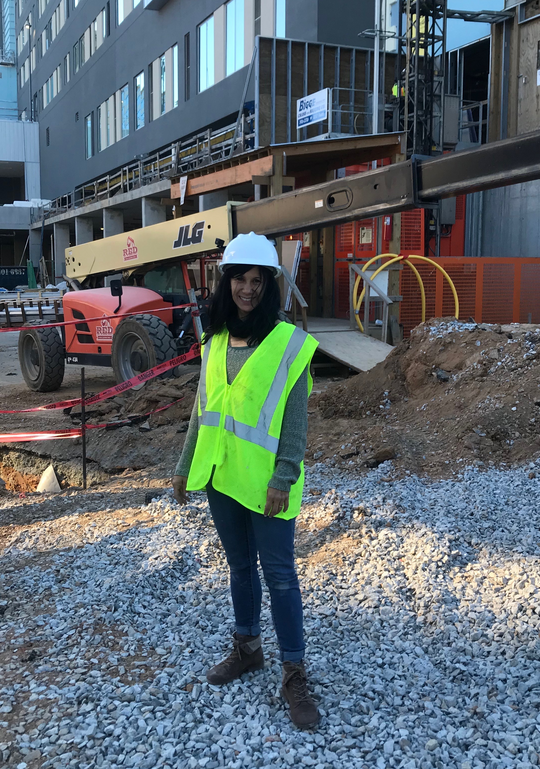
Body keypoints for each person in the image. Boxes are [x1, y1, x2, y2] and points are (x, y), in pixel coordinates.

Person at [172, 232, 320, 729]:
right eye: (240, 279)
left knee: (280, 576)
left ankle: (294, 672)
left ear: (270, 285)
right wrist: (182, 466)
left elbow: (295, 422)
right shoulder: (214, 340)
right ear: (227, 282)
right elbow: (201, 410)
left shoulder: (287, 345)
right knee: (239, 568)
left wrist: (283, 475)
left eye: (258, 281)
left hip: (268, 486)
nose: (248, 289)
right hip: (221, 478)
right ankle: (247, 648)